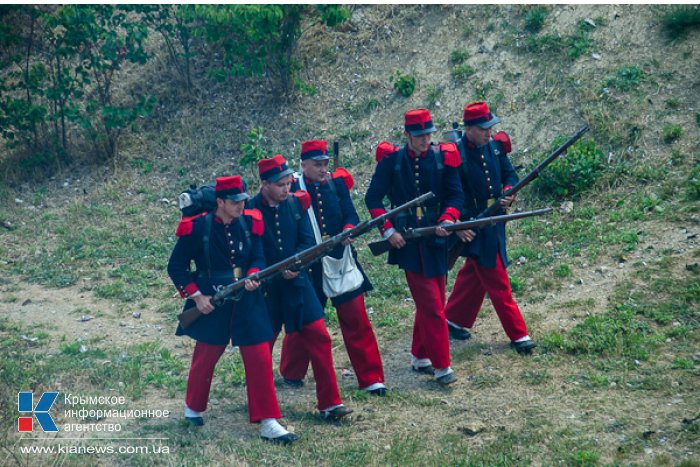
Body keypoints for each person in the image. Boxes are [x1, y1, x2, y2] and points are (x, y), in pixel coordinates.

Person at [167, 175, 297, 444]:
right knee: (206, 355)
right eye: (235, 202)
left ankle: (268, 420)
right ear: (220, 202)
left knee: (259, 356)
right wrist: (197, 297)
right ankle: (193, 406)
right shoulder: (198, 228)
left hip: (246, 298)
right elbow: (176, 266)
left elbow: (258, 257)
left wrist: (252, 275)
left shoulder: (250, 222)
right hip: (210, 300)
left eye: (242, 200)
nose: (241, 206)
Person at [248, 154, 353, 420]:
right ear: (265, 185)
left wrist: (297, 264)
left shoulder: (296, 205)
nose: (287, 189)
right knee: (261, 349)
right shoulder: (249, 210)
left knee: (320, 337)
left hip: (297, 283)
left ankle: (330, 403)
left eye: (288, 183)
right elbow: (251, 251)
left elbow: (308, 241)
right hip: (267, 291)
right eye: (281, 185)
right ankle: (260, 404)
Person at [364, 108, 463, 385]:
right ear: (407, 135)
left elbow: (456, 195)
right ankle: (442, 366)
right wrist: (388, 230)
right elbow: (373, 199)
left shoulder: (443, 157)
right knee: (432, 306)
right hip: (406, 242)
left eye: (428, 134)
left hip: (436, 238)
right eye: (419, 135)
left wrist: (448, 218)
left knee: (434, 301)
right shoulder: (392, 162)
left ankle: (420, 356)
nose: (425, 140)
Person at [279, 140, 387, 396]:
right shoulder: (291, 189)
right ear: (303, 165)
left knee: (356, 319)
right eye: (317, 164)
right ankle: (292, 372)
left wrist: (349, 231)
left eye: (325, 163)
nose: (322, 168)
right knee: (304, 321)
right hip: (309, 264)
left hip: (340, 259)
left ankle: (371, 377)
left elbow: (350, 215)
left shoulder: (336, 184)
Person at [443, 101, 537, 354]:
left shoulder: (495, 148)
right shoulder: (456, 155)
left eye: (490, 127)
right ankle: (519, 334)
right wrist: (459, 223)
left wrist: (508, 193)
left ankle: (452, 318)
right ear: (470, 128)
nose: (489, 132)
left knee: (476, 272)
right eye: (484, 128)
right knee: (496, 279)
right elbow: (449, 193)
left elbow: (510, 176)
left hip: (495, 219)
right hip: (473, 224)